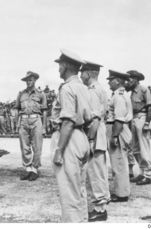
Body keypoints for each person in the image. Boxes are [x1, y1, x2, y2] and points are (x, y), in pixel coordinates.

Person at [50, 50, 92, 222]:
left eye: (60, 64)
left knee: (68, 192)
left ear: (66, 66)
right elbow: (89, 118)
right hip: (81, 136)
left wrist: (59, 150)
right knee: (79, 189)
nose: (58, 68)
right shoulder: (83, 87)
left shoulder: (67, 88)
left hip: (68, 139)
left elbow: (67, 121)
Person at [80, 60, 110, 222]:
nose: (80, 75)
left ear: (89, 73)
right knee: (99, 171)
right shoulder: (99, 89)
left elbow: (95, 119)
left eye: (82, 72)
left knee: (95, 172)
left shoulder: (92, 91)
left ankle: (100, 209)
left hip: (95, 134)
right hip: (98, 133)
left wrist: (90, 139)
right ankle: (101, 205)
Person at [106, 70, 132, 202]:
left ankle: (122, 194)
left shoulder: (119, 96)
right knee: (119, 161)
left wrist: (115, 136)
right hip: (119, 128)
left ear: (117, 81)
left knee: (119, 162)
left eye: (110, 80)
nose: (109, 82)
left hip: (118, 129)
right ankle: (121, 191)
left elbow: (119, 118)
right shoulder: (119, 94)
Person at [15, 71, 47, 181]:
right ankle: (28, 169)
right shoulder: (21, 94)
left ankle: (35, 169)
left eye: (31, 80)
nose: (29, 82)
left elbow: (45, 111)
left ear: (35, 80)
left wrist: (44, 126)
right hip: (23, 121)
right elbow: (17, 108)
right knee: (24, 146)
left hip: (36, 119)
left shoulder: (40, 94)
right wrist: (17, 123)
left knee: (37, 146)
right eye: (27, 80)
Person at [126, 70, 151, 185]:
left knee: (144, 147)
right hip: (134, 118)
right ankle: (141, 173)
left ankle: (147, 174)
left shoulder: (143, 89)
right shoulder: (132, 92)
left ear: (136, 79)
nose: (129, 81)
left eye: (131, 78)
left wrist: (147, 122)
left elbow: (150, 107)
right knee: (135, 148)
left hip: (142, 117)